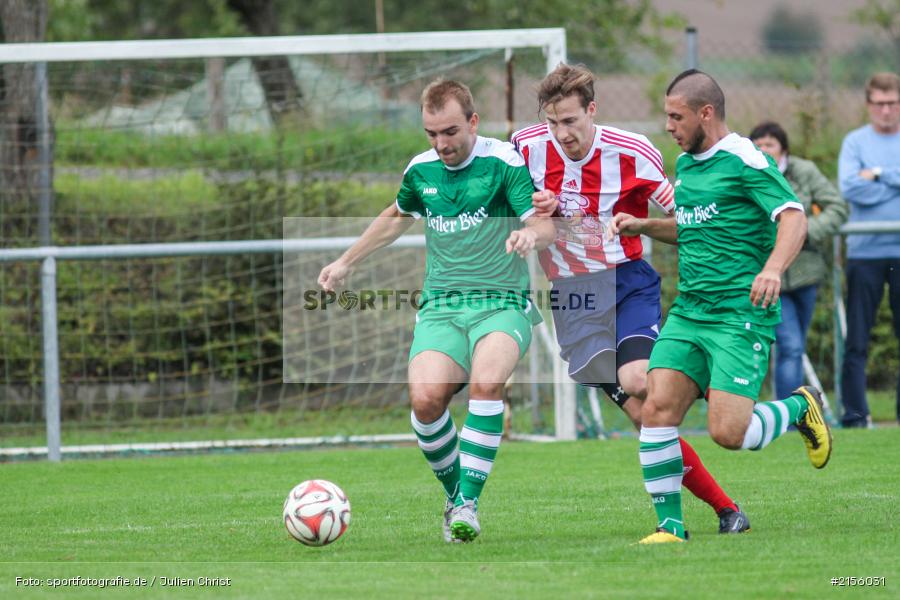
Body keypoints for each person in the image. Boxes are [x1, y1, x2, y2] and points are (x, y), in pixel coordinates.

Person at [513, 63, 749, 535]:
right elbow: (510, 197)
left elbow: (691, 218)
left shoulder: (634, 152)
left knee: (640, 379)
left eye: (571, 121)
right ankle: (727, 510)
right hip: (573, 297)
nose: (562, 134)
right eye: (554, 122)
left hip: (627, 282)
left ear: (592, 110)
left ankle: (706, 385)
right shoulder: (525, 147)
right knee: (645, 417)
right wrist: (533, 224)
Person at [318, 79, 555, 543]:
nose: (441, 143)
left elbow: (543, 222)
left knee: (487, 384)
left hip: (501, 303)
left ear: (472, 122)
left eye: (450, 131)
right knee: (426, 402)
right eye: (431, 134)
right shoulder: (421, 170)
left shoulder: (502, 161)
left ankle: (467, 504)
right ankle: (454, 496)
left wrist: (531, 236)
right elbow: (395, 216)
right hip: (442, 307)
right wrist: (346, 261)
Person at [635, 69, 832, 544]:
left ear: (706, 113)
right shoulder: (686, 166)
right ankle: (671, 527)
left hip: (738, 313)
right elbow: (692, 228)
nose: (669, 126)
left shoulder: (746, 158)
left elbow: (793, 216)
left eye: (676, 116)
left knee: (729, 432)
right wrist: (641, 226)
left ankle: (799, 408)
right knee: (655, 408)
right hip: (690, 310)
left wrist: (773, 269)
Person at [748, 121, 848, 400]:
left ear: (784, 149)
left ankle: (790, 409)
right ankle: (787, 418)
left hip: (805, 274)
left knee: (796, 346)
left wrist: (802, 233)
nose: (764, 150)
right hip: (768, 276)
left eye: (770, 144)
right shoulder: (747, 173)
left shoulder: (804, 171)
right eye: (758, 144)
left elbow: (836, 206)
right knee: (789, 346)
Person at [837, 72, 900, 428]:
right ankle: (855, 415)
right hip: (865, 253)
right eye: (879, 104)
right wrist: (895, 181)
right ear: (869, 105)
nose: (886, 111)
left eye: (892, 103)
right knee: (857, 340)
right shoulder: (855, 142)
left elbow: (865, 184)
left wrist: (876, 174)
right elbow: (850, 188)